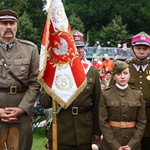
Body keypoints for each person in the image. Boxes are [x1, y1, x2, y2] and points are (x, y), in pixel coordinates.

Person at [39, 29, 101, 150]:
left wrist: (96, 131)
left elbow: (97, 104)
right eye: (75, 47)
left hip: (85, 130)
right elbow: (44, 103)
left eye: (81, 47)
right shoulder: (55, 71)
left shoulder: (92, 72)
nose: (79, 50)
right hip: (61, 129)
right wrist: (55, 87)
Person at [0, 9, 39, 150]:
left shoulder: (30, 49)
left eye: (12, 23)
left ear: (16, 25)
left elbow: (35, 83)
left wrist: (22, 109)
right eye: (4, 23)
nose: (8, 26)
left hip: (21, 117)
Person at [109, 31, 150, 150]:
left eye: (145, 48)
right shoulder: (123, 68)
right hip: (128, 123)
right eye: (138, 48)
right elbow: (109, 94)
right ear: (132, 50)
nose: (141, 51)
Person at [99, 60, 146, 150]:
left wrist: (132, 144)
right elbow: (103, 122)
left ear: (130, 75)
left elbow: (142, 122)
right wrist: (115, 145)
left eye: (125, 73)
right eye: (119, 74)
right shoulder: (106, 94)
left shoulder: (137, 94)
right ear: (114, 76)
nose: (123, 77)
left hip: (132, 142)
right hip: (111, 143)